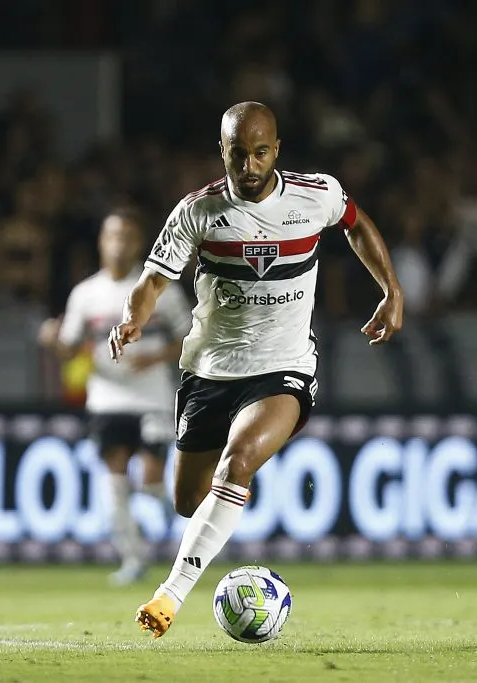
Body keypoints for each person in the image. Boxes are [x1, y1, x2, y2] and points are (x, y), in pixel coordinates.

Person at [108, 101, 404, 638]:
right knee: (187, 502)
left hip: (284, 366)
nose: (249, 165)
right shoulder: (198, 212)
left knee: (237, 462)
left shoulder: (317, 195)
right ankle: (234, 491)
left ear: (277, 150)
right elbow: (153, 282)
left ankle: (167, 597)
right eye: (238, 154)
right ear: (221, 152)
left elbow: (356, 225)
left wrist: (391, 290)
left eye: (260, 152)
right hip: (210, 371)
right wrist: (132, 320)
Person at [39, 210, 191, 585]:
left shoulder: (159, 287)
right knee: (115, 483)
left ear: (138, 243)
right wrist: (52, 340)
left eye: (126, 236)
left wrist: (157, 356)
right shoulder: (85, 294)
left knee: (152, 483)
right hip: (107, 398)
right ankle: (133, 558)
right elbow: (70, 347)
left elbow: (191, 336)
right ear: (101, 243)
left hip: (153, 396)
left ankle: (180, 513)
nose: (118, 244)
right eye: (112, 236)